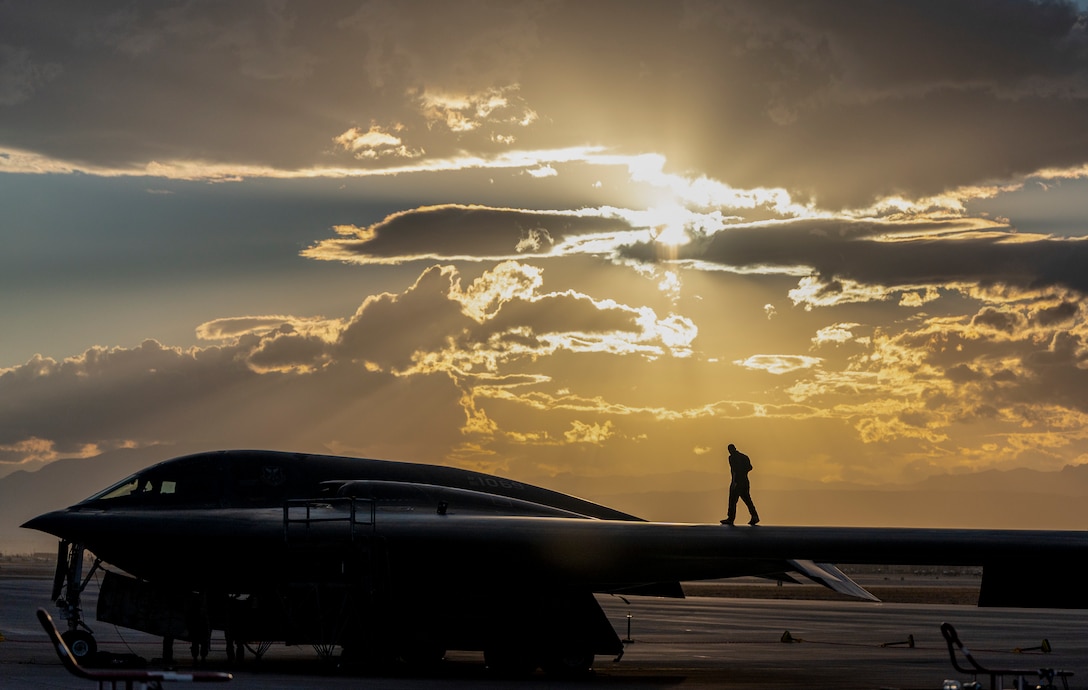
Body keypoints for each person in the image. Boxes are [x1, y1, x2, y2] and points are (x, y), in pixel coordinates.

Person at [721, 443, 759, 526]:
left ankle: (731, 518)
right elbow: (750, 467)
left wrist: (734, 482)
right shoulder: (744, 457)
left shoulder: (732, 458)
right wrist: (743, 472)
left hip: (738, 482)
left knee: (733, 500)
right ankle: (754, 516)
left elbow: (734, 470)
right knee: (747, 500)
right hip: (745, 481)